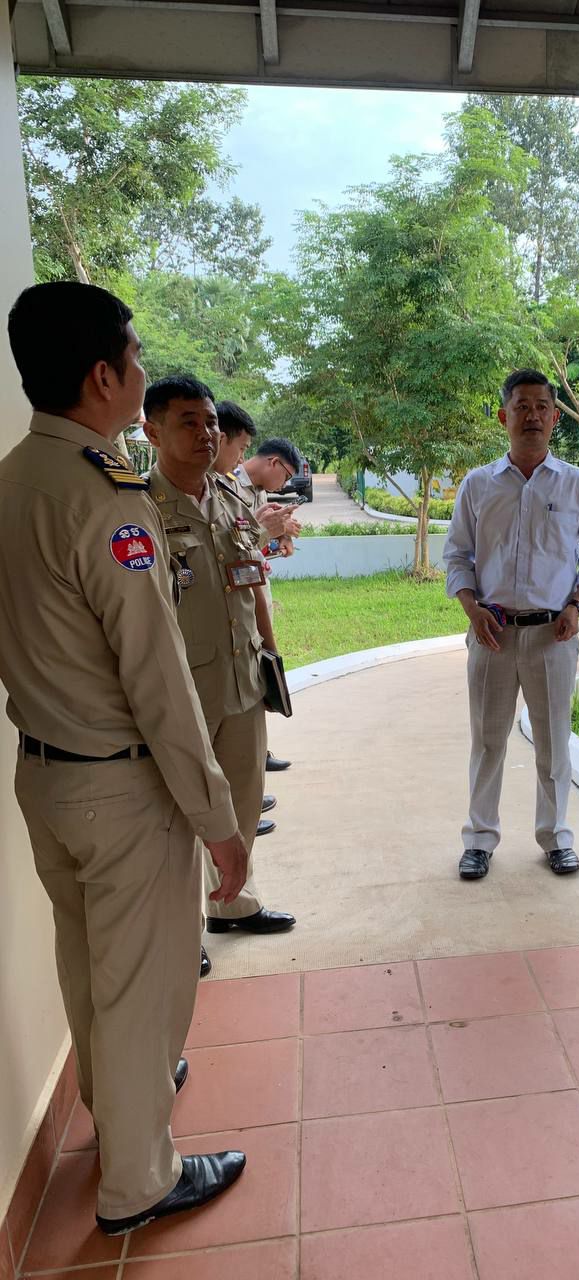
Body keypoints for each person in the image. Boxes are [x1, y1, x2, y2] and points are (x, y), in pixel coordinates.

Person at [0, 282, 247, 1235]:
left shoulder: (15, 479)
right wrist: (219, 820)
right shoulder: (108, 499)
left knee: (87, 966)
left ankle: (119, 1112)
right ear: (102, 377)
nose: (142, 371)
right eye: (135, 358)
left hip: (45, 774)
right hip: (121, 784)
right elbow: (159, 680)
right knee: (145, 985)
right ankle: (141, 1180)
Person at [143, 377, 296, 946]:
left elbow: (252, 581)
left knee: (244, 798)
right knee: (183, 813)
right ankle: (187, 930)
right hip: (181, 689)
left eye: (210, 421)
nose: (206, 433)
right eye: (188, 422)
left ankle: (234, 903)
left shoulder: (232, 498)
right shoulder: (139, 506)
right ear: (152, 432)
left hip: (242, 679)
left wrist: (271, 654)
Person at [444, 368, 579, 880]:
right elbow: (457, 556)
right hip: (491, 634)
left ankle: (556, 836)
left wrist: (577, 605)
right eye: (522, 406)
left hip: (552, 636)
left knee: (553, 743)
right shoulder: (478, 485)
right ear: (504, 416)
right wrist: (471, 609)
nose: (533, 415)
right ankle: (479, 839)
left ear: (555, 418)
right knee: (487, 742)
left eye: (543, 407)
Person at [213, 408, 301, 789]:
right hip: (231, 608)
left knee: (254, 681)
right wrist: (265, 532)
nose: (240, 455)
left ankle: (254, 765)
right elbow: (232, 551)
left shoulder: (255, 492)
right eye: (241, 447)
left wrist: (283, 535)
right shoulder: (226, 486)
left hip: (252, 595)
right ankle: (244, 782)